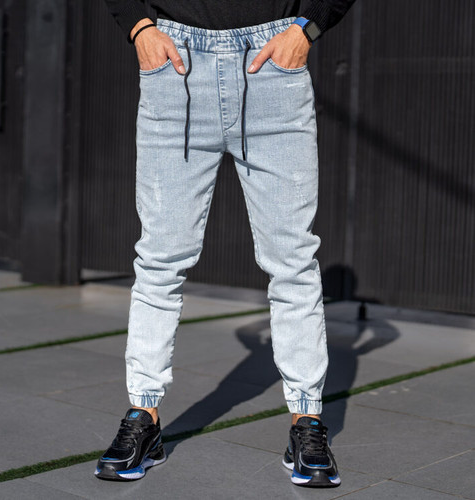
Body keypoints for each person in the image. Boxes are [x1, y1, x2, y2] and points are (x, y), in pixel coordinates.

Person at [95, 0, 355, 488]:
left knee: (293, 260)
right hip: (176, 68)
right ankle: (143, 417)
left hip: (273, 68)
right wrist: (139, 27)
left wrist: (308, 27)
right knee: (159, 259)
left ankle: (307, 422)